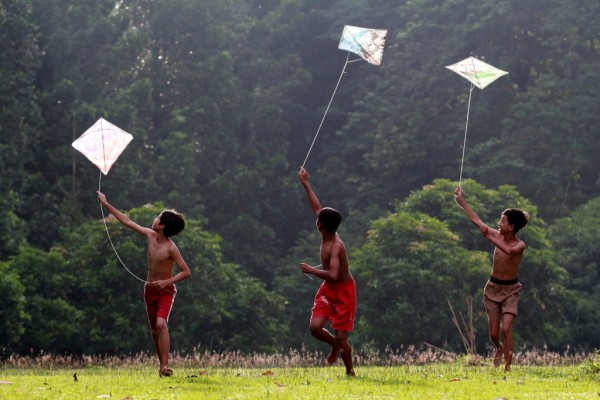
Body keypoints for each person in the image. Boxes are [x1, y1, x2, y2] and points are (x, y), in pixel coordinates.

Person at [98, 192, 191, 377]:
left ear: (163, 226)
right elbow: (127, 221)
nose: (154, 219)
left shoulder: (171, 248)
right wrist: (106, 204)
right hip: (149, 290)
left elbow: (186, 272)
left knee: (161, 324)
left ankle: (165, 366)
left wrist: (167, 281)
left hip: (165, 291)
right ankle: (161, 366)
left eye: (157, 218)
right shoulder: (149, 235)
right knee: (154, 331)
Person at [454, 186, 528, 372]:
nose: (498, 224)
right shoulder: (497, 234)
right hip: (493, 288)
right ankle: (499, 348)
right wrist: (462, 202)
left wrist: (488, 236)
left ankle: (508, 368)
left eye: (502, 221)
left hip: (511, 290)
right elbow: (478, 222)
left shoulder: (519, 245)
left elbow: (508, 250)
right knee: (494, 333)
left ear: (511, 227)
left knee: (506, 328)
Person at [298, 166, 356, 376]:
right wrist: (305, 183)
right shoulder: (327, 232)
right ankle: (334, 346)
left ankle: (350, 370)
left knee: (342, 337)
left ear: (320, 225)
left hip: (344, 291)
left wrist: (311, 270)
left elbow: (332, 274)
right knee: (315, 327)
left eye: (319, 218)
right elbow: (316, 207)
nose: (316, 217)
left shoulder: (336, 246)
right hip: (329, 290)